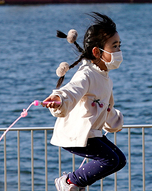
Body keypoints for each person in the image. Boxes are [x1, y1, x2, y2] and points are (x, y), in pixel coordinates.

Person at [43, 12, 126, 191]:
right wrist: (59, 99)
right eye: (114, 46)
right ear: (97, 51)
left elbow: (106, 109)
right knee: (110, 159)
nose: (119, 51)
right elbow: (72, 90)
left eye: (119, 46)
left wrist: (114, 122)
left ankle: (77, 184)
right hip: (77, 133)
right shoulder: (86, 74)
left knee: (120, 161)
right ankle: (69, 182)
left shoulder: (105, 78)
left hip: (92, 133)